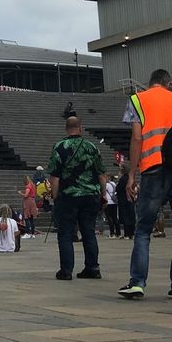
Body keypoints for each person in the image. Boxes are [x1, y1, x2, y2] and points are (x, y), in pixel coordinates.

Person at [118, 69, 172, 301]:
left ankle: (138, 282)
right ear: (168, 84)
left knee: (143, 230)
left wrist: (132, 174)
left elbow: (137, 138)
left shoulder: (137, 99)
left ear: (150, 83)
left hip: (152, 170)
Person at [49, 116, 107, 280]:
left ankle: (66, 271)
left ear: (66, 128)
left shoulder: (60, 147)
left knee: (66, 233)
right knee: (88, 231)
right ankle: (93, 267)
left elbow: (54, 177)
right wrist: (103, 195)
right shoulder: (92, 147)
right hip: (90, 195)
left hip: (68, 195)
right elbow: (102, 174)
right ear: (80, 128)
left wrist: (55, 197)